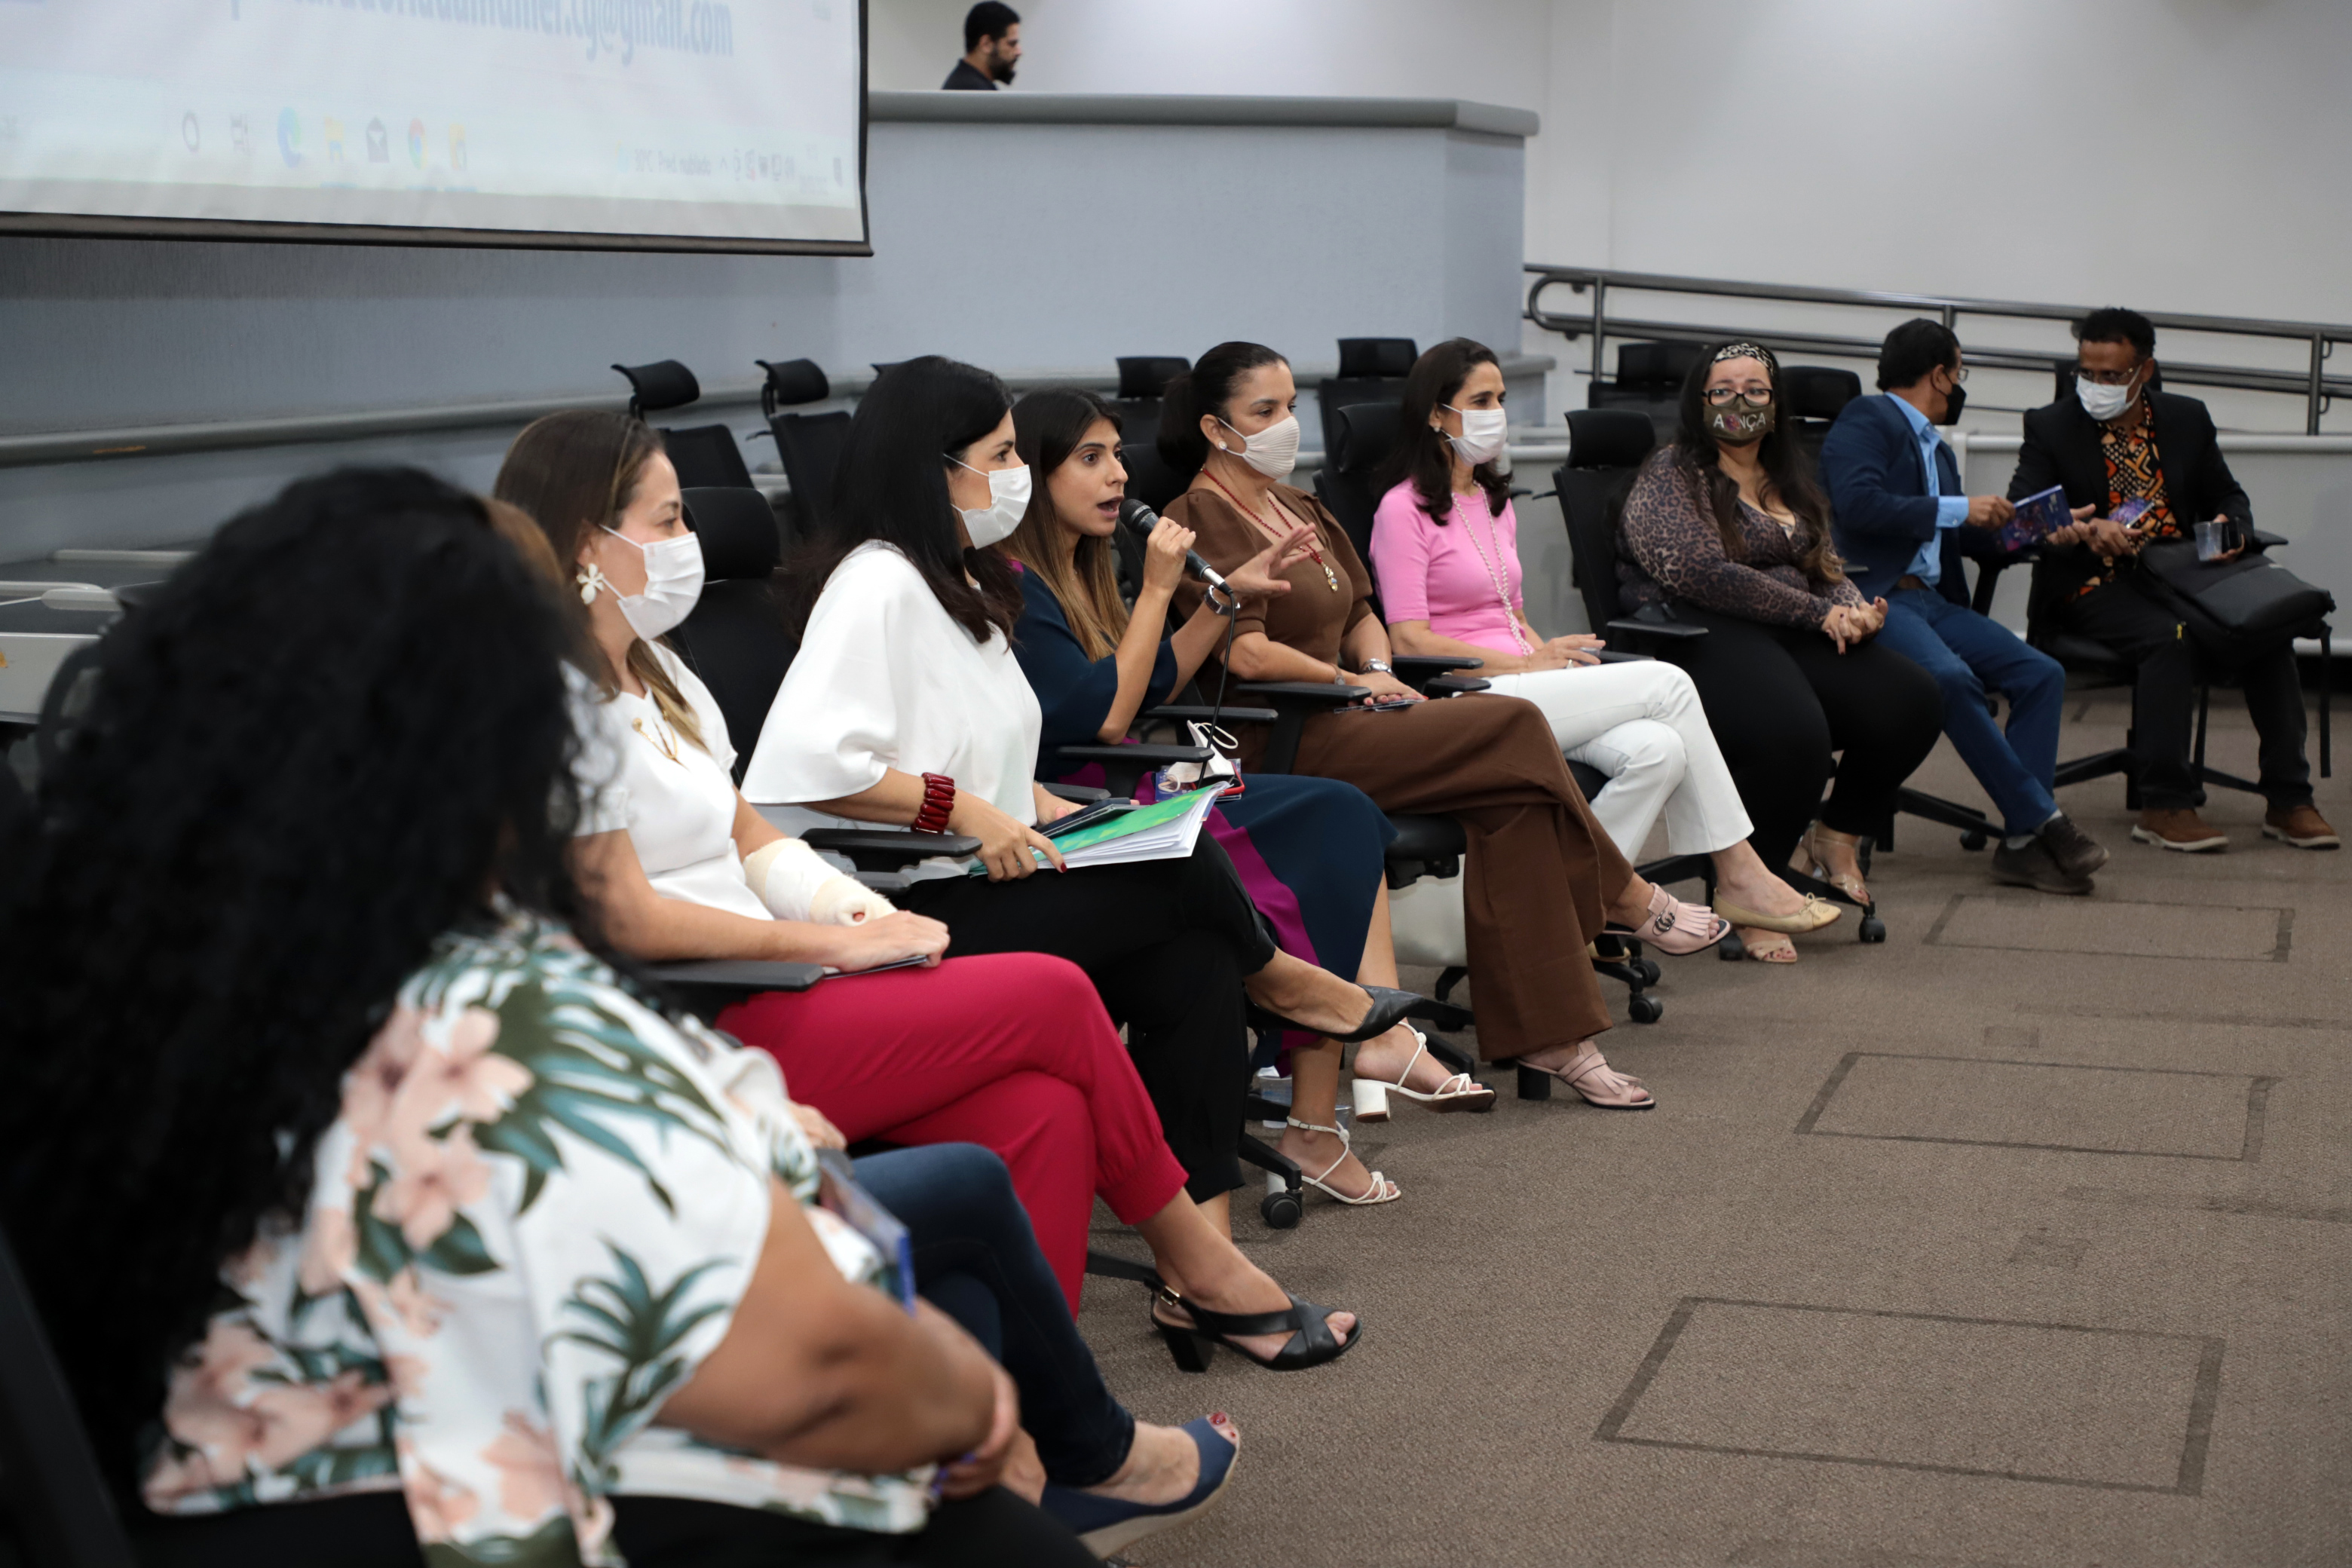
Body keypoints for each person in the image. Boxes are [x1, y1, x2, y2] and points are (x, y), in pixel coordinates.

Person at [0, 468, 1101, 1567]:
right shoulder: (485, 1019)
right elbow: (823, 1369)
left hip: (264, 1493)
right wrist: (971, 1400)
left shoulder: (135, 969)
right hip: (479, 1506)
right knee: (975, 1506)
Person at [489, 412, 1323, 1342]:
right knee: (1056, 995)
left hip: (790, 973)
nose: (692, 541)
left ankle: (1035, 1406)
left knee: (1044, 1109)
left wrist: (853, 913)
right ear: (584, 542)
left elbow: (749, 834)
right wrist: (831, 941)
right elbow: (624, 916)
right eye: (669, 519)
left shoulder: (666, 678)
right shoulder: (553, 702)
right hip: (698, 1015)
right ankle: (1199, 1264)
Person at [743, 356, 1424, 1367]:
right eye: (1000, 456)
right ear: (934, 469)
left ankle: (1203, 1273)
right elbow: (807, 768)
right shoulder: (876, 581)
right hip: (910, 907)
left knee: (1192, 957)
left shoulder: (963, 583)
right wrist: (965, 808)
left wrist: (1040, 802)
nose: (1016, 476)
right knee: (1179, 877)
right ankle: (1286, 983)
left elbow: (973, 744)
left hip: (994, 870)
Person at [1157, 340, 1732, 1104]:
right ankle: (1622, 895)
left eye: (1291, 407)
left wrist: (1376, 671)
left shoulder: (1296, 503)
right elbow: (1250, 655)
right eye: (1264, 411)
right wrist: (1349, 682)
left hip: (1356, 712)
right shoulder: (1195, 516)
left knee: (1518, 803)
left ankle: (1556, 1039)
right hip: (1284, 737)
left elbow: (1362, 613)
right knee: (1512, 724)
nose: (1287, 424)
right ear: (1215, 426)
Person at [1003, 387, 1493, 1210]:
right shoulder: (1020, 585)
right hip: (1081, 803)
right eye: (1090, 459)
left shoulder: (1085, 567)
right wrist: (1158, 592)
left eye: (1117, 454)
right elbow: (1106, 715)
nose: (1118, 475)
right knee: (1308, 840)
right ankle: (1330, 1069)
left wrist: (1222, 599)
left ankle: (1315, 1118)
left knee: (1340, 813)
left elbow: (1154, 682)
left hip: (1134, 775)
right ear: (1033, 475)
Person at [1369, 337, 1833, 942]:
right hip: (1463, 694)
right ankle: (1739, 871)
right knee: (1668, 683)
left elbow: (1511, 613)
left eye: (1501, 399)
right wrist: (1527, 663)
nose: (1497, 413)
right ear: (1436, 413)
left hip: (1523, 677)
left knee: (1659, 750)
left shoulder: (1489, 500)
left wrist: (1552, 658)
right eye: (1480, 401)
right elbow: (1408, 640)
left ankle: (1564, 910)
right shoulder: (1401, 509)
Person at [1615, 342, 1946, 960]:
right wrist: (1819, 614)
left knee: (1913, 699)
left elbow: (1823, 562)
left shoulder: (1786, 474)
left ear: (1775, 402)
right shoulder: (1673, 471)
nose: (1739, 402)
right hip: (1696, 630)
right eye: (1723, 390)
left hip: (1787, 628)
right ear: (1700, 399)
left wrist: (1852, 609)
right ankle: (1752, 888)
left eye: (1756, 391)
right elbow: (1698, 573)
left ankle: (1836, 834)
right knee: (1795, 733)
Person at [2009, 306, 2337, 853]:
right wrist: (2085, 529)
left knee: (2268, 631)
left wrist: (2231, 528)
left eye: (2111, 375)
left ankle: (2289, 799)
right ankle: (2163, 803)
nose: (2095, 386)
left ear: (2145, 370)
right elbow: (2022, 516)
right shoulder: (2051, 426)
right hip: (2098, 582)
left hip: (2184, 575)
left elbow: (2227, 494)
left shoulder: (2186, 418)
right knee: (2170, 637)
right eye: (2086, 373)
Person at [1820, 320, 2111, 893]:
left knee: (2041, 673)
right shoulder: (1866, 419)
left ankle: (2022, 845)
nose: (1959, 384)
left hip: (1932, 601)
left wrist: (2042, 527)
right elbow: (1857, 505)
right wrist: (1957, 508)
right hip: (1875, 599)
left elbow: (1968, 536)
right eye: (1959, 372)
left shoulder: (1938, 450)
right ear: (1939, 375)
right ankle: (2045, 823)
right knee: (1949, 678)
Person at [945, 2, 1020, 89]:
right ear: (986, 44)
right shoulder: (973, 91)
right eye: (1012, 44)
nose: (1019, 52)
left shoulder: (964, 85)